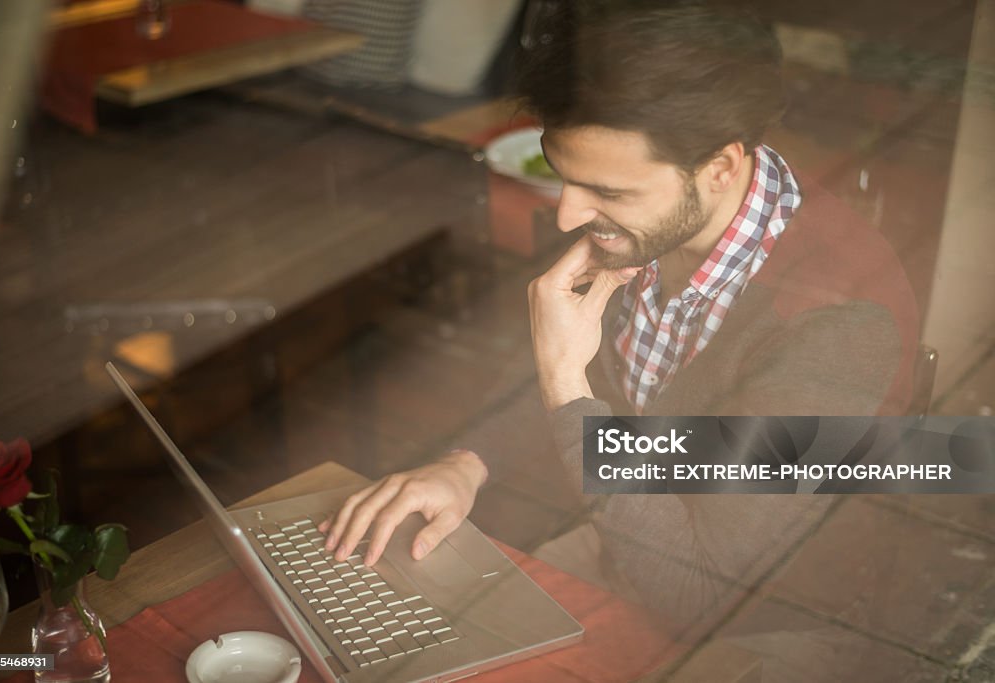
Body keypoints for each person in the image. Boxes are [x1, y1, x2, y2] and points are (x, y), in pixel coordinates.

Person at [319, 1, 919, 661]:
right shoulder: (657, 219)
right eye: (563, 175)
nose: (571, 214)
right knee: (388, 631)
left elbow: (701, 596)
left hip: (772, 624)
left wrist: (568, 389)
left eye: (609, 190)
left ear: (720, 165)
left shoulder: (837, 323)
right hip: (622, 541)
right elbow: (576, 379)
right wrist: (465, 464)